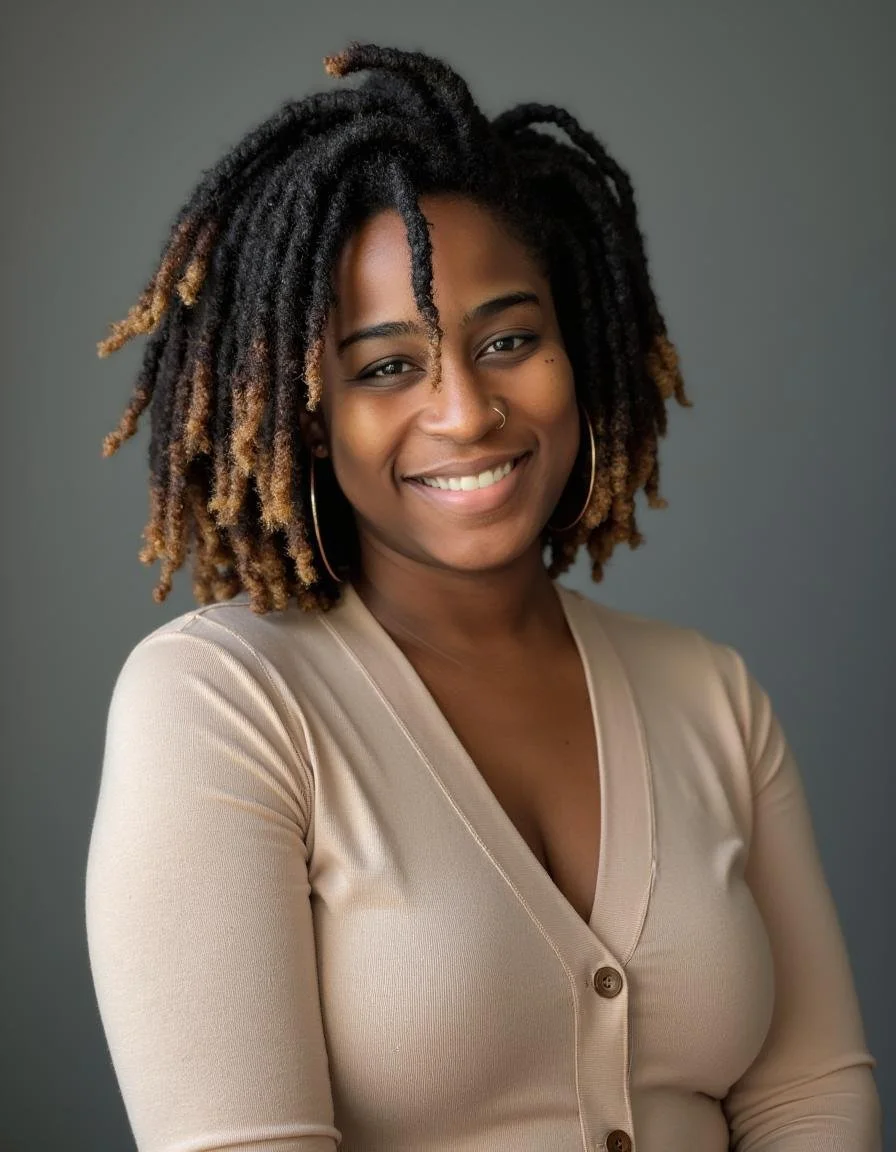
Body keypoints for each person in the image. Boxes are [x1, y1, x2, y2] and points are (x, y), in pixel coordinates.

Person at [84, 42, 881, 1152]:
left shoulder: (710, 696)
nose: (465, 411)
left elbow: (809, 1099)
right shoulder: (221, 704)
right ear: (306, 416)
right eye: (385, 367)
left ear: (579, 349)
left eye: (508, 340)